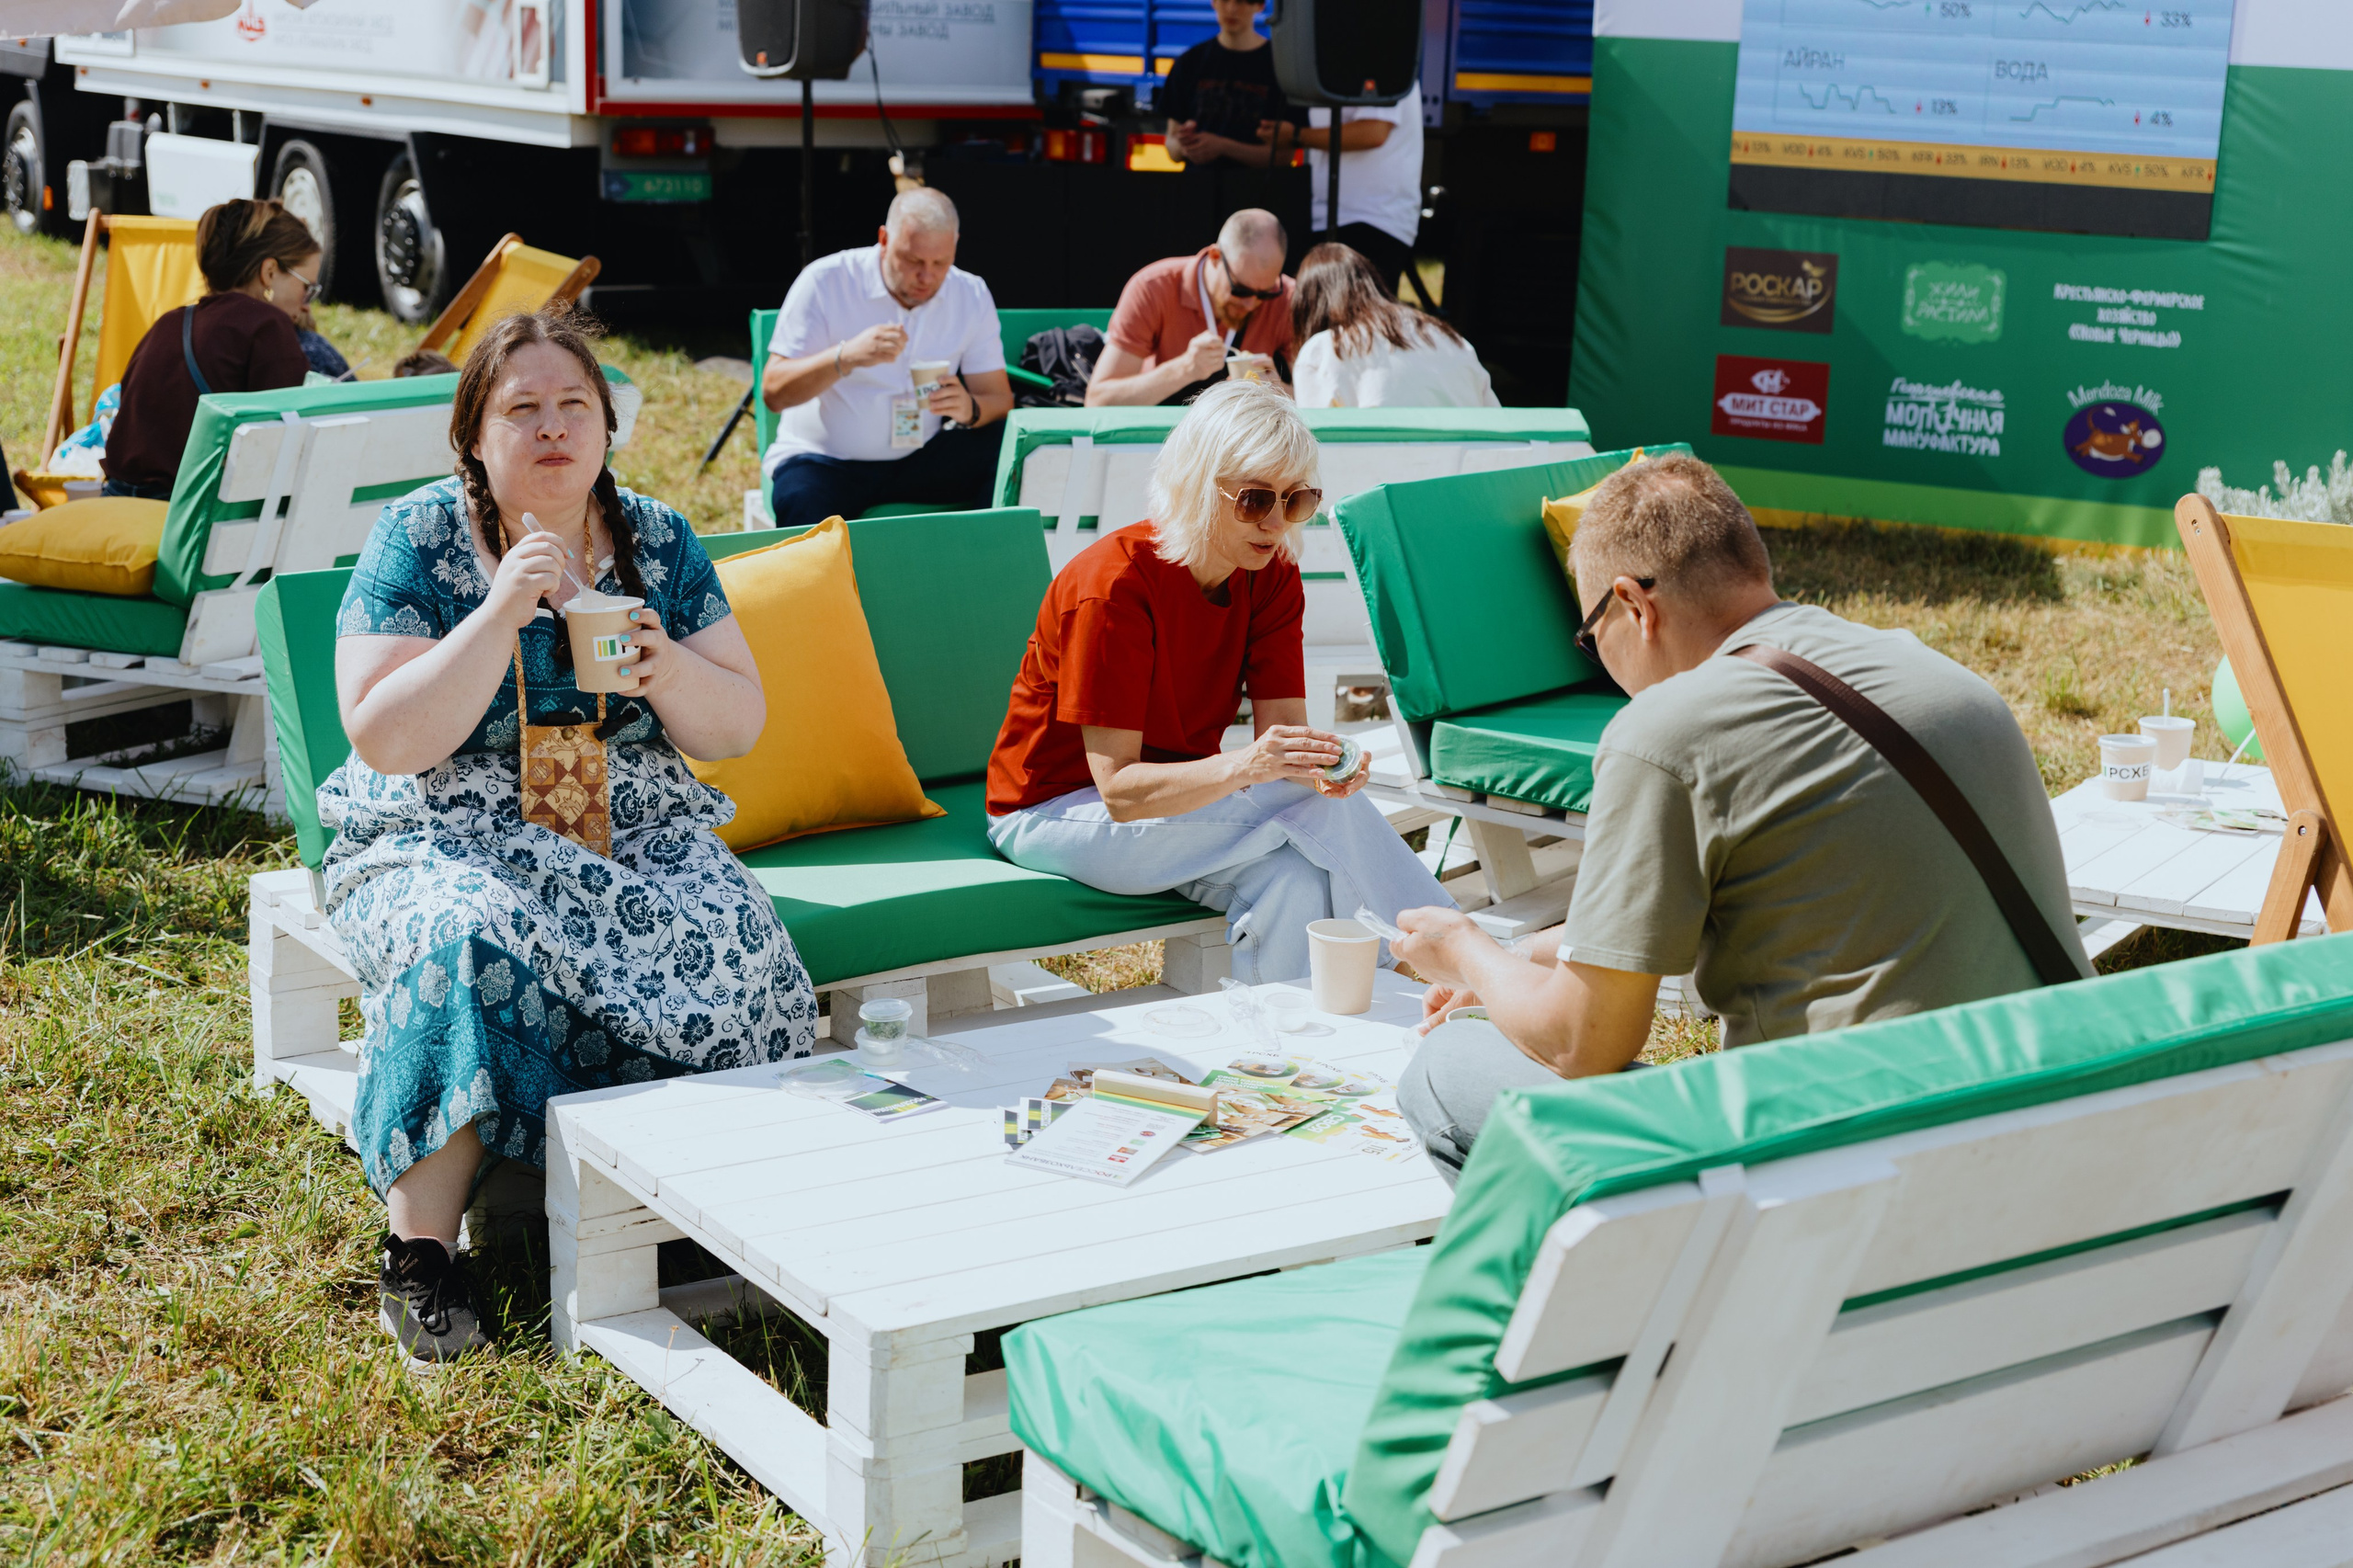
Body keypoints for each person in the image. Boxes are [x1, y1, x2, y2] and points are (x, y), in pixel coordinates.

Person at [324, 308, 819, 1364]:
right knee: (464, 940)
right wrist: (497, 612)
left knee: (737, 937)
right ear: (474, 435)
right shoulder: (419, 536)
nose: (553, 427)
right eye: (522, 408)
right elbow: (383, 734)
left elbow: (737, 724)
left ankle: (693, 1202)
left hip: (626, 814)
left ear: (605, 423)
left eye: (573, 404)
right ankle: (423, 1254)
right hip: (444, 818)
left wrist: (667, 665)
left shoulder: (655, 537)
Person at [1392, 454, 2089, 1181]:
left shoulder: (1667, 731)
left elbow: (1580, 1043)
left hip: (1854, 1168)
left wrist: (1467, 950)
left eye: (1589, 637)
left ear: (1632, 605)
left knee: (1447, 1068)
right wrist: (1530, 960)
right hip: (2056, 1123)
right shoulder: (1926, 669)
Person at [985, 379, 1451, 984]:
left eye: (1297, 500)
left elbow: (1284, 746)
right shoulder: (1113, 588)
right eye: (1255, 500)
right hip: (1056, 813)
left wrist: (1325, 765)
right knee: (1308, 811)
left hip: (1182, 808)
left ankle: (1274, 1042)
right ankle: (1457, 958)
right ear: (1197, 487)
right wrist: (1252, 767)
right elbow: (1120, 792)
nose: (1276, 523)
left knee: (1292, 881)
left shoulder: (1270, 574)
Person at [761, 187, 1013, 531]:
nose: (927, 277)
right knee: (802, 498)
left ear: (955, 245)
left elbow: (999, 398)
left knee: (1007, 452)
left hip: (919, 455)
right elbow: (774, 393)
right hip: (826, 460)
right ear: (883, 239)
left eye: (940, 263)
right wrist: (844, 357)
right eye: (914, 261)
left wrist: (970, 408)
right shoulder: (827, 280)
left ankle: (981, 557)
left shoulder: (969, 292)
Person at [102, 197, 317, 499]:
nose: (307, 305)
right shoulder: (267, 326)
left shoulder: (169, 322)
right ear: (269, 272)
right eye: (307, 287)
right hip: (180, 511)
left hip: (116, 500)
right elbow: (290, 450)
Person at [1088, 209, 1296, 407]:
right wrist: (1185, 368)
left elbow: (1314, 401)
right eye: (1240, 290)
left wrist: (1277, 392)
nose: (1251, 304)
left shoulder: (1289, 297)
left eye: (1266, 293)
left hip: (1246, 428)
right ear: (1215, 257)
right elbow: (1098, 400)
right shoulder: (1154, 287)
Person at [1260, 85, 1424, 299]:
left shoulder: (1385, 62)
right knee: (1310, 312)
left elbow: (1374, 131)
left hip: (1371, 218)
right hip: (1324, 217)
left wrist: (1296, 135)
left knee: (1356, 317)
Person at [1290, 243, 1496, 409]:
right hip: (1469, 449)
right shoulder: (1449, 338)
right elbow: (1496, 419)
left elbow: (1313, 440)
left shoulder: (1323, 350)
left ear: (1308, 306)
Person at [1160, 0, 1299, 170]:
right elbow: (1171, 145)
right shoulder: (1190, 62)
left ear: (1259, 6)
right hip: (1198, 184)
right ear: (1214, 3)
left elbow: (1284, 156)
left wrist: (1223, 147)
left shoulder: (1279, 66)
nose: (1232, 9)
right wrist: (1186, 146)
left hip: (1256, 185)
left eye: (1241, 2)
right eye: (1225, 0)